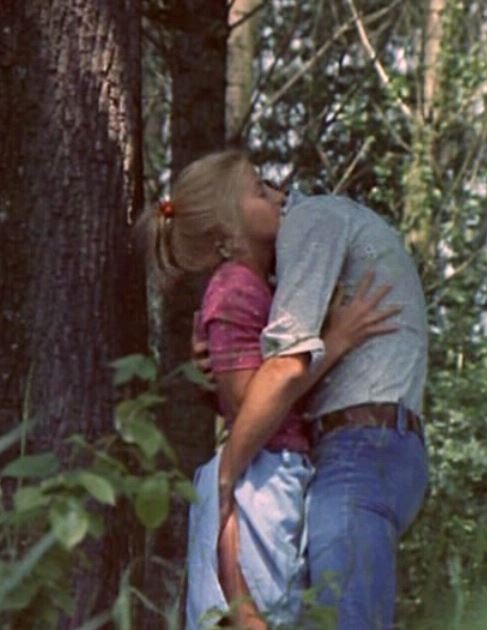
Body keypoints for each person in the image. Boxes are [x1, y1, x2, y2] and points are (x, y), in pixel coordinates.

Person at [135, 149, 400, 629]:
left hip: (270, 471)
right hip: (262, 476)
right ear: (227, 231)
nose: (279, 197)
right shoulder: (234, 287)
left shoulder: (259, 287)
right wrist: (336, 340)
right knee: (267, 613)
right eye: (260, 191)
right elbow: (250, 400)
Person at [216, 186, 430, 628]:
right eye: (252, 188)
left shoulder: (309, 219)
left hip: (359, 446)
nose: (269, 193)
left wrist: (226, 471)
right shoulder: (324, 233)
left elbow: (284, 371)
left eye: (260, 186)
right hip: (376, 443)